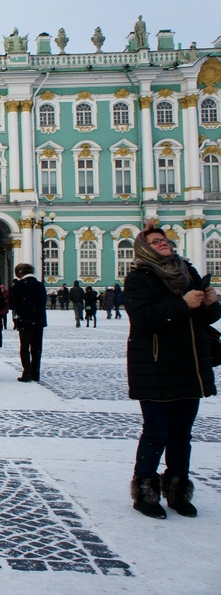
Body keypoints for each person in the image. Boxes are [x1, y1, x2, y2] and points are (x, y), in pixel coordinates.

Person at [125, 222, 220, 519]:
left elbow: (204, 318)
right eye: (154, 241)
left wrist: (211, 304)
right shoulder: (140, 278)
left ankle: (178, 490)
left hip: (189, 365)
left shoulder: (186, 272)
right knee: (155, 433)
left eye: (163, 239)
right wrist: (181, 304)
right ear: (144, 249)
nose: (162, 243)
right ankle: (145, 491)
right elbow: (142, 317)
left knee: (182, 434)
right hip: (156, 366)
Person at [9, 263, 47, 383]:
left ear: (21, 274)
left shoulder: (20, 285)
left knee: (25, 347)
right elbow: (43, 301)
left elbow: (12, 303)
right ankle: (35, 373)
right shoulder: (40, 285)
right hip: (39, 320)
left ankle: (27, 373)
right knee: (37, 348)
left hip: (25, 320)